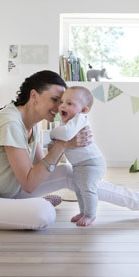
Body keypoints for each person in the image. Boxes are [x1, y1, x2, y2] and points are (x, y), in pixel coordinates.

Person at [0, 70, 139, 230]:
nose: (60, 106)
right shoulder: (10, 122)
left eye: (63, 101)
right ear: (34, 95)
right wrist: (63, 144)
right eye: (55, 99)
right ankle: (32, 204)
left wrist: (68, 145)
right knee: (44, 214)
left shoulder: (32, 125)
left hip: (3, 192)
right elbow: (30, 183)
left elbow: (43, 170)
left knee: (68, 173)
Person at [50, 86, 104, 226]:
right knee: (79, 189)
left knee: (87, 188)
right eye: (62, 102)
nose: (63, 106)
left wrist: (52, 133)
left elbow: (66, 133)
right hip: (79, 164)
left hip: (91, 163)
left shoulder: (80, 118)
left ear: (84, 110)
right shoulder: (67, 121)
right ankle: (83, 212)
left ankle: (90, 215)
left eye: (69, 103)